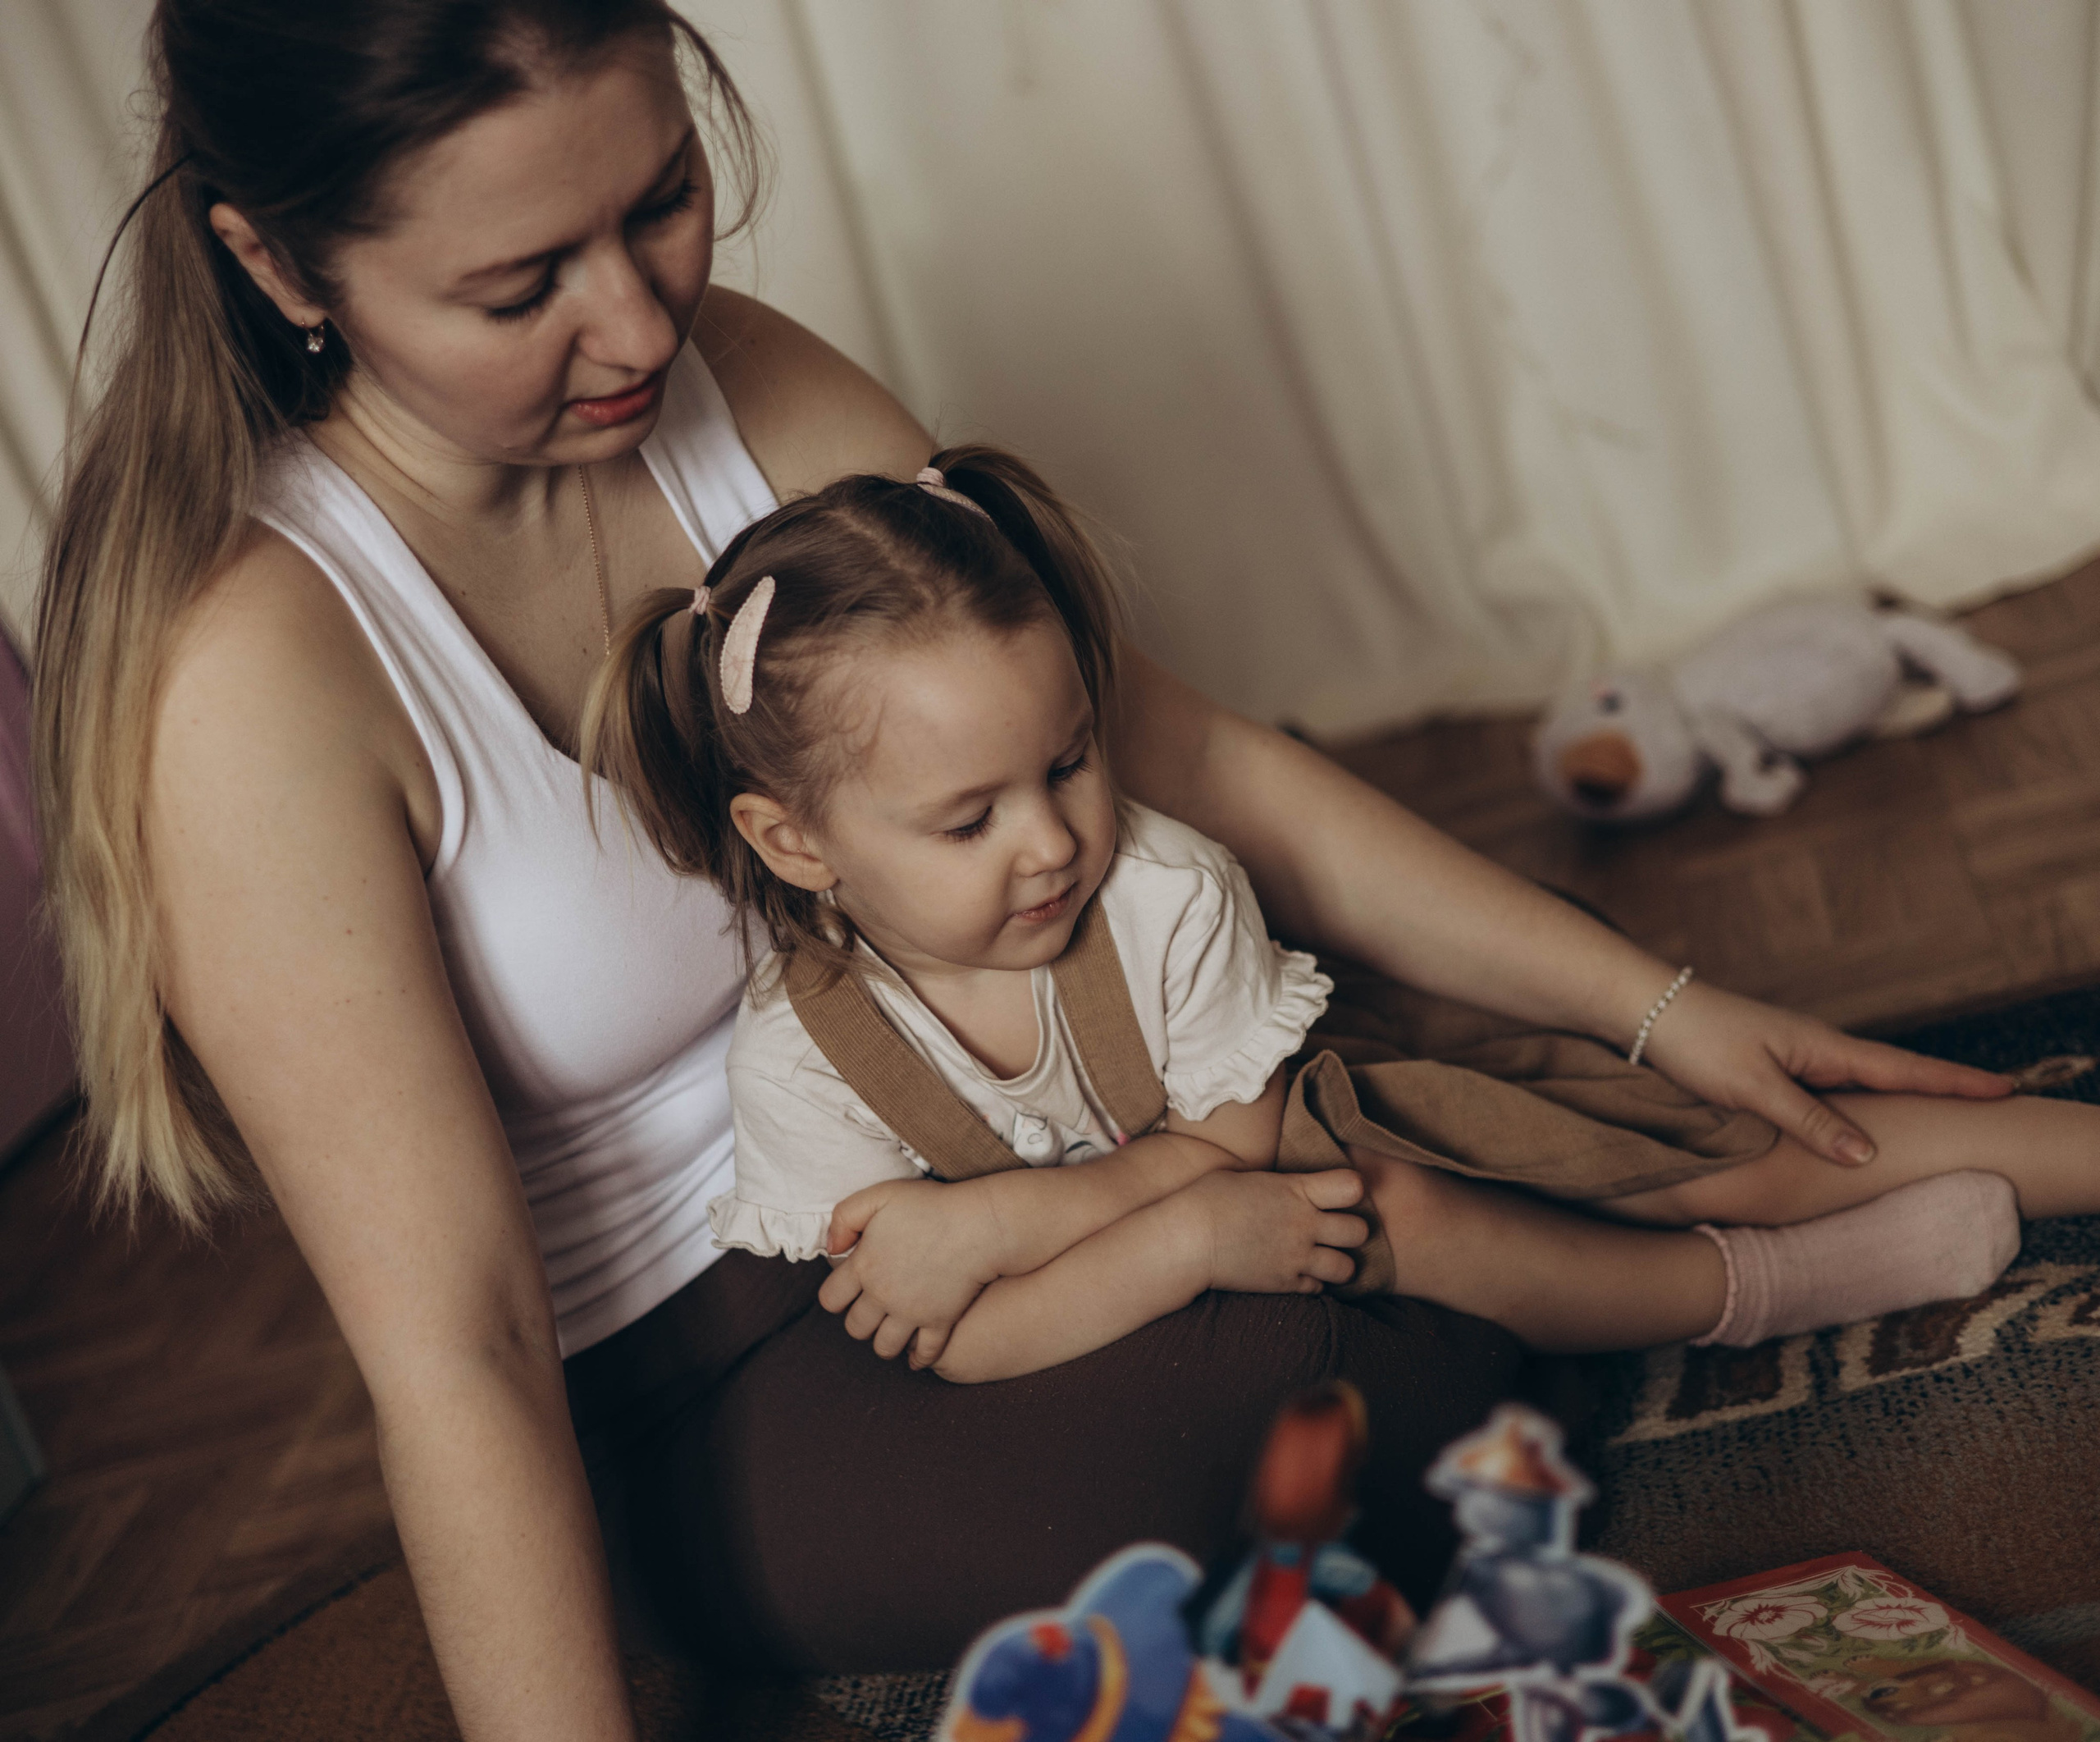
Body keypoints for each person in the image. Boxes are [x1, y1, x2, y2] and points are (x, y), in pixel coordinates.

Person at [29, 2, 2021, 1735]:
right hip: (728, 1356)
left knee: (1481, 1133)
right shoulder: (251, 685)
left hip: (1045, 1121)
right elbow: (452, 1341)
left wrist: (1659, 1004)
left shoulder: (733, 379)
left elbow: (1192, 757)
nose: (638, 317)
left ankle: (1703, 1214)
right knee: (1319, 1338)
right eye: (518, 282)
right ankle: (1537, 1297)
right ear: (282, 262)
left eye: (658, 202)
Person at [585, 443, 2067, 1382]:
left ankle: (1995, 1170)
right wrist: (1169, 1249)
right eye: (970, 820)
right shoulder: (797, 1059)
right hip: (1177, 1282)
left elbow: (1240, 1142)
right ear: (794, 844)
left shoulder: (1160, 887)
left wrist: (1058, 1224)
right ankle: (1761, 1294)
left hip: (1324, 1123)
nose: (1052, 842)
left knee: (1685, 1150)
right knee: (1380, 1245)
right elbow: (947, 1332)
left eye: (1071, 762)